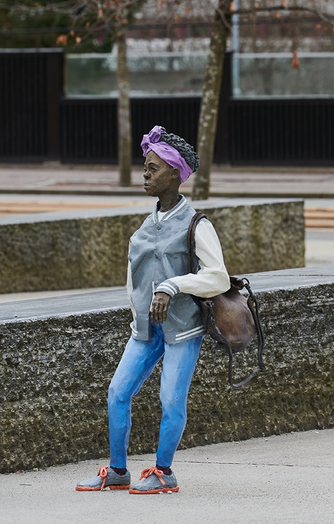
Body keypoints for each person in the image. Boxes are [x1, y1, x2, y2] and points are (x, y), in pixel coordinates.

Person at [75, 126, 230, 495]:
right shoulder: (144, 227)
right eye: (146, 168)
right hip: (145, 330)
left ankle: (164, 472)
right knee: (117, 391)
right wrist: (137, 312)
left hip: (183, 328)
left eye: (153, 168)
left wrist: (173, 285)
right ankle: (117, 470)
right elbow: (133, 279)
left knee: (171, 399)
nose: (145, 175)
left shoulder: (196, 224)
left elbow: (218, 277)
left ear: (175, 174)